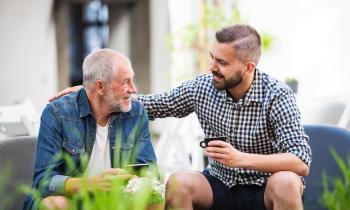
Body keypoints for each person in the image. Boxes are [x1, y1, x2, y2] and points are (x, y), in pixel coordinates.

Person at [51, 24, 312, 210]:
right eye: (212, 58)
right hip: (219, 183)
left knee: (288, 182)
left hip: (263, 187)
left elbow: (300, 161)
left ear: (248, 67)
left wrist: (241, 159)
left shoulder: (277, 95)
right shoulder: (203, 87)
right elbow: (153, 105)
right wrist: (98, 93)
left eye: (222, 62)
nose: (212, 67)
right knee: (178, 182)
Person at [23, 49, 157, 210]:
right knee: (55, 205)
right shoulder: (57, 113)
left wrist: (135, 185)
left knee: (154, 196)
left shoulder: (136, 112)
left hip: (117, 198)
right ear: (100, 87)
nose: (133, 89)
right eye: (125, 82)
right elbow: (43, 181)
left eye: (132, 80)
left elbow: (150, 172)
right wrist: (91, 185)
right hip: (71, 199)